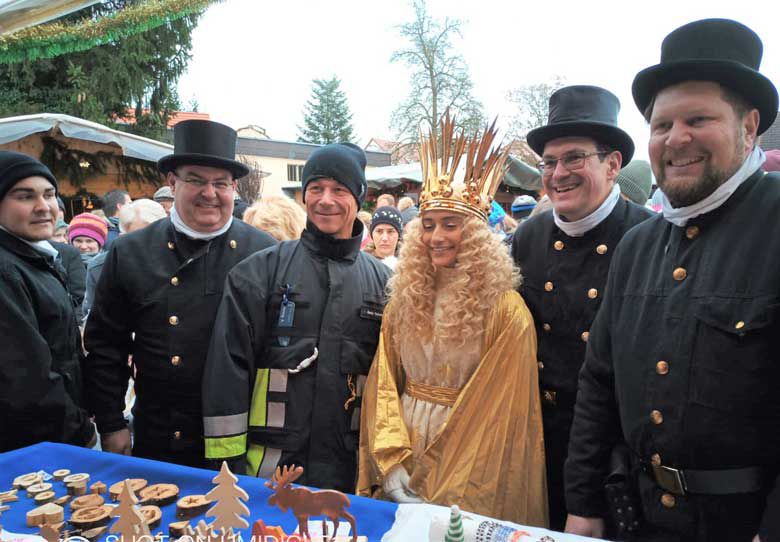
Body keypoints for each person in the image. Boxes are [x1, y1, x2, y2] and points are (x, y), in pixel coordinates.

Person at [565, 19, 780, 542]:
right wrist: (584, 504)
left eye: (699, 119)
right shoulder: (638, 245)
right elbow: (599, 384)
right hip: (636, 518)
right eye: (662, 126)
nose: (676, 139)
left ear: (749, 127)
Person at [358, 120, 547, 525]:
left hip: (474, 461)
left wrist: (443, 480)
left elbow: (499, 412)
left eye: (450, 224)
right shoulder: (403, 300)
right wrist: (390, 465)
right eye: (427, 225)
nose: (435, 236)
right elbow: (384, 383)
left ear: (476, 233)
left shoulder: (505, 310)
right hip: (402, 446)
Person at [83, 120, 276, 468]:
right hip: (160, 437)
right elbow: (106, 346)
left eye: (221, 183)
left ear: (234, 187)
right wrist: (111, 423)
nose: (210, 193)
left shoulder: (264, 252)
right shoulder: (131, 252)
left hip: (242, 441)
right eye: (196, 180)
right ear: (172, 182)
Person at [202, 142, 390, 492]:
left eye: (339, 189)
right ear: (303, 197)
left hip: (348, 477)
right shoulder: (259, 273)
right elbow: (227, 372)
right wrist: (227, 469)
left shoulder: (384, 286)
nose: (325, 199)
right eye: (315, 188)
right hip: (268, 475)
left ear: (359, 199)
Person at [512, 85, 652, 531]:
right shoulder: (528, 238)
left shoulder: (648, 238)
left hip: (612, 451)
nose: (558, 174)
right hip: (536, 439)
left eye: (575, 158)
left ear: (612, 165)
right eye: (549, 162)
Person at [0, 151, 95, 452]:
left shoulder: (36, 258)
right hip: (35, 446)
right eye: (25, 196)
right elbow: (27, 378)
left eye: (49, 195)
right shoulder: (6, 270)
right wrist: (81, 431)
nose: (43, 207)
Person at [82, 199, 167, 323]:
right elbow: (92, 318)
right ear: (122, 237)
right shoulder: (100, 267)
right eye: (140, 238)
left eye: (155, 237)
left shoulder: (181, 261)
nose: (148, 244)